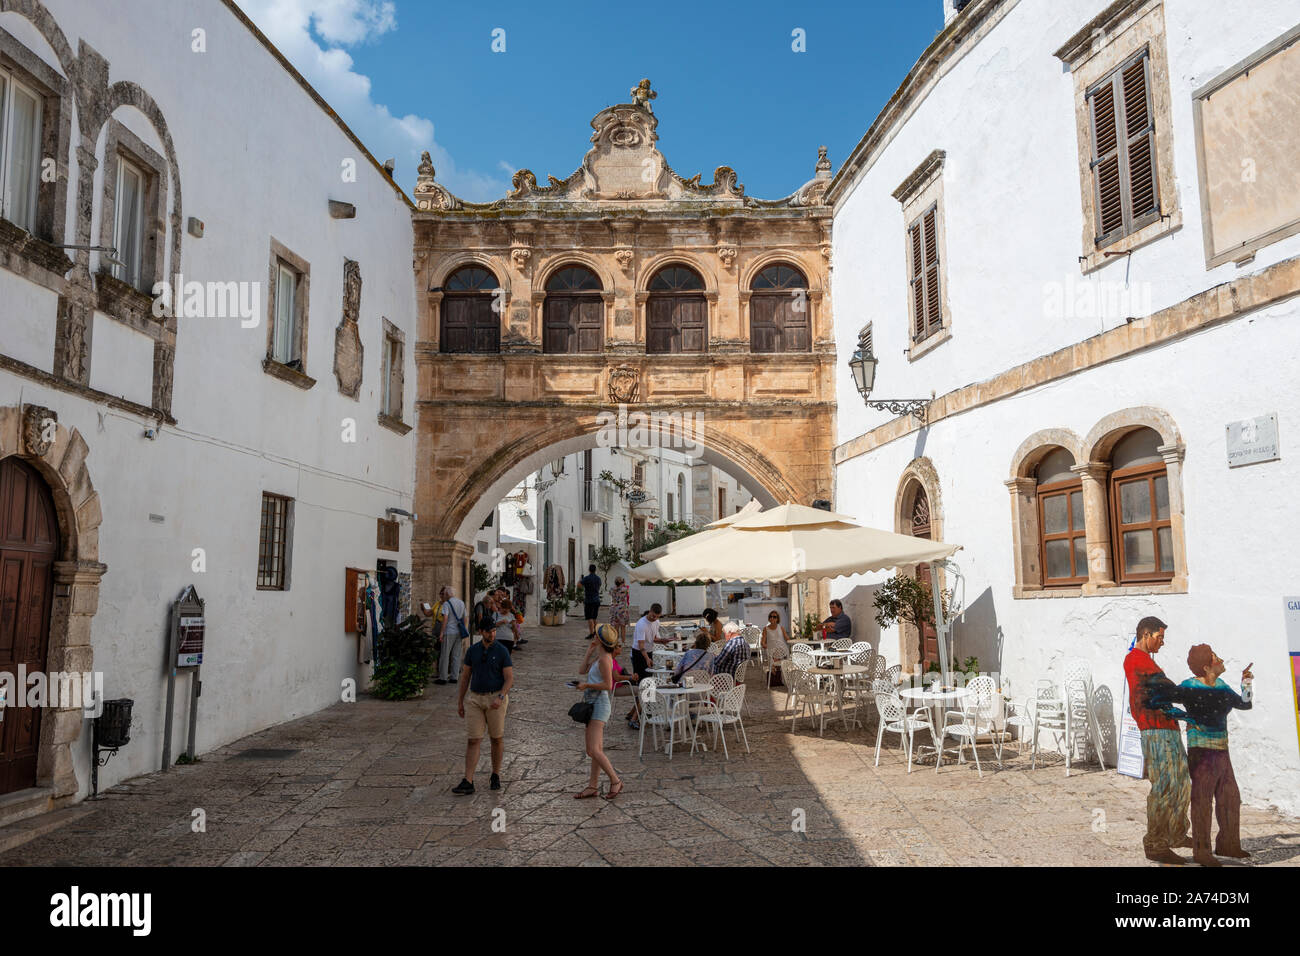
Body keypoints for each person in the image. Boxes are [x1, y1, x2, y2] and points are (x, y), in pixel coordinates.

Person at [1123, 616, 1193, 865]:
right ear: (1146, 634)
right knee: (1164, 786)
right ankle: (1155, 843)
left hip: (1167, 728)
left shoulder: (1146, 661)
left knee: (1182, 781)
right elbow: (1167, 689)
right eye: (1159, 637)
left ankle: (1176, 832)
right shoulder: (1136, 660)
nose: (1162, 642)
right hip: (1155, 731)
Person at [1178, 645, 1253, 865]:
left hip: (1222, 750)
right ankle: (1201, 851)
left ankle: (1228, 845)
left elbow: (1245, 704)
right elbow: (1164, 700)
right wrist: (1184, 719)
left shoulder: (1222, 687)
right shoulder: (1188, 687)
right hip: (1200, 752)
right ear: (1206, 666)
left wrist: (1246, 683)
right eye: (1216, 658)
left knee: (1230, 797)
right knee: (1202, 801)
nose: (1221, 660)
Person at [452, 614, 514, 795]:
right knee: (473, 739)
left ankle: (495, 774)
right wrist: (460, 701)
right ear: (481, 632)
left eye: (494, 630)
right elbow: (465, 678)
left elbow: (509, 678)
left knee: (496, 738)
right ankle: (468, 780)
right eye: (489, 631)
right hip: (476, 699)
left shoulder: (502, 651)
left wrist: (501, 697)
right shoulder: (472, 651)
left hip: (496, 698)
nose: (492, 634)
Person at [574, 625, 624, 800]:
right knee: (596, 749)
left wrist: (586, 685)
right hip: (593, 703)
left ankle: (615, 780)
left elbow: (608, 685)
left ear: (600, 640)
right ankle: (592, 786)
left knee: (593, 750)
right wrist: (589, 650)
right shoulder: (600, 656)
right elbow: (582, 670)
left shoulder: (604, 660)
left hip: (599, 704)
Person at [628, 603, 670, 729]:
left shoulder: (656, 622)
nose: (654, 618)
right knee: (645, 685)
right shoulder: (641, 624)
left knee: (648, 683)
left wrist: (663, 641)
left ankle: (635, 713)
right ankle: (636, 716)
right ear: (649, 612)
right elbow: (641, 645)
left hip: (649, 652)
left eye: (657, 617)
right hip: (639, 654)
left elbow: (653, 638)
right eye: (653, 616)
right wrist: (647, 659)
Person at [435, 586, 468, 686]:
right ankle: (454, 677)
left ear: (447, 594)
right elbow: (465, 618)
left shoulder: (446, 604)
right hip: (459, 632)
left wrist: (441, 633)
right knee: (456, 655)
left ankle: (443, 677)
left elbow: (445, 619)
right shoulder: (461, 603)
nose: (444, 596)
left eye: (444, 594)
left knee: (445, 655)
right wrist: (464, 629)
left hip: (449, 631)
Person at [762, 610, 790, 685]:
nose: (772, 618)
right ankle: (776, 671)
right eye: (770, 617)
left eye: (774, 617)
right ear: (769, 618)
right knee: (773, 652)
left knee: (777, 651)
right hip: (772, 652)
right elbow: (763, 642)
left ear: (777, 619)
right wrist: (765, 646)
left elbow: (787, 639)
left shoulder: (781, 628)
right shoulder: (765, 629)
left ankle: (774, 668)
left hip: (782, 652)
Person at [580, 564, 603, 638]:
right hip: (596, 600)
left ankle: (591, 633)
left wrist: (581, 579)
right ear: (595, 570)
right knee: (594, 618)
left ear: (589, 570)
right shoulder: (598, 578)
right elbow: (599, 586)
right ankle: (597, 632)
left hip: (589, 600)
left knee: (589, 617)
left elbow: (579, 585)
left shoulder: (587, 578)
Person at [609, 576, 631, 644]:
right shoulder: (625, 589)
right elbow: (627, 595)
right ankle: (623, 642)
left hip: (614, 608)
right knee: (623, 627)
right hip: (622, 609)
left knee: (616, 627)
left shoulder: (612, 589)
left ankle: (616, 642)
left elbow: (610, 594)